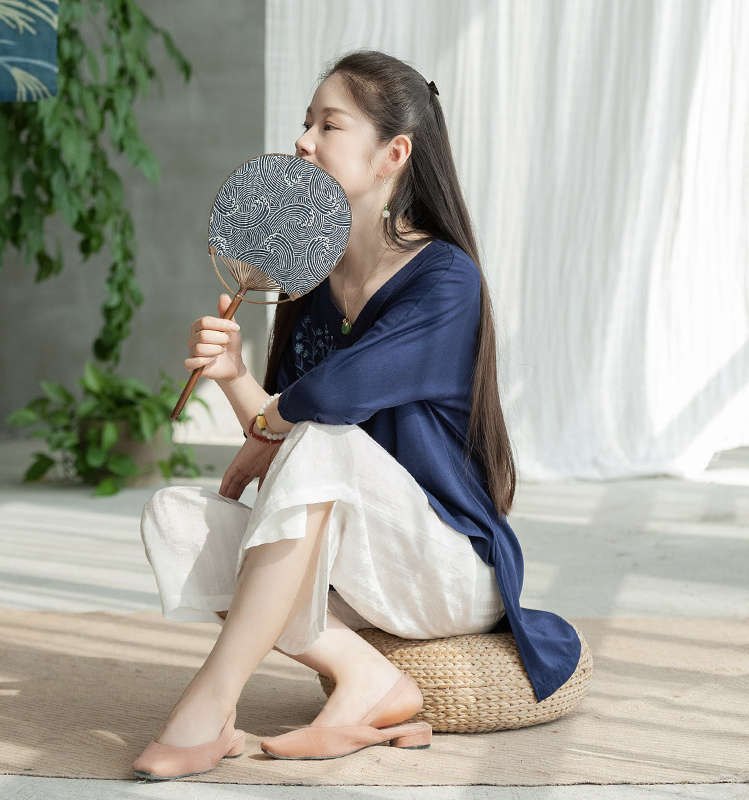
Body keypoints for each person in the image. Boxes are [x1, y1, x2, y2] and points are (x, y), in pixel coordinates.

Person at [133, 50, 580, 781]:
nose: (303, 140)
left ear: (392, 155)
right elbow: (288, 446)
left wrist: (273, 426)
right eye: (305, 122)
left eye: (328, 125)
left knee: (322, 438)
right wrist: (236, 377)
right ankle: (365, 674)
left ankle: (209, 705)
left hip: (444, 569)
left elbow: (326, 407)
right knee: (174, 517)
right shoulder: (313, 282)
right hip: (353, 574)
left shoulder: (446, 279)